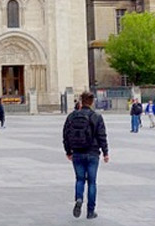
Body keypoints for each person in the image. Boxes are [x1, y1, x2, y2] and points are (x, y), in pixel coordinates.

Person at [63, 91, 108, 220]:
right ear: (92, 102)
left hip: (77, 152)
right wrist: (105, 152)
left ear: (81, 101)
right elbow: (102, 136)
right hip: (93, 153)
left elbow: (65, 135)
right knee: (92, 182)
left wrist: (68, 151)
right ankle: (90, 211)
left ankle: (78, 199)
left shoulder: (71, 116)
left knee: (80, 179)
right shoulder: (96, 117)